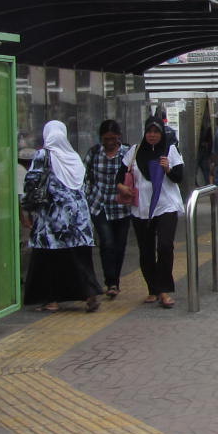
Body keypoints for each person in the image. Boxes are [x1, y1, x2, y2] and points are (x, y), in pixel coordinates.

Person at [22, 120, 101, 313]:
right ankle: (89, 293)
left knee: (48, 261)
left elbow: (31, 181)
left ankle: (51, 300)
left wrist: (27, 206)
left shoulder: (43, 154)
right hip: (79, 220)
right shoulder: (73, 156)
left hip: (52, 219)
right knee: (78, 258)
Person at [126, 117, 185, 308]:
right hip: (141, 208)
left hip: (165, 205)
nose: (152, 135)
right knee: (146, 250)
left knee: (165, 246)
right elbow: (121, 176)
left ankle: (165, 290)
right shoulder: (134, 151)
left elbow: (179, 177)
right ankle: (152, 288)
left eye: (156, 132)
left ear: (162, 133)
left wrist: (167, 168)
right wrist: (122, 188)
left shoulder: (170, 150)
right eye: (149, 131)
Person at [83, 119, 133, 299]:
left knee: (119, 245)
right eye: (106, 138)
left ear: (119, 137)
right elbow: (85, 176)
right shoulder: (94, 153)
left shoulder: (127, 153)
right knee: (107, 243)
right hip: (100, 204)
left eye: (113, 138)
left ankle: (115, 281)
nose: (110, 142)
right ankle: (110, 282)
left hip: (122, 205)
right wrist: (88, 196)